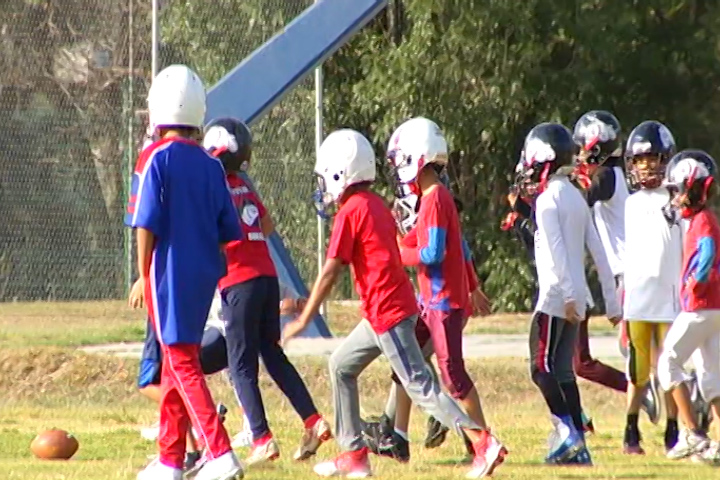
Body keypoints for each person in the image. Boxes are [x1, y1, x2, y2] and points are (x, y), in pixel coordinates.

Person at [282, 128, 506, 479]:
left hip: (388, 312)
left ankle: (483, 443)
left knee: (420, 385)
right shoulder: (373, 203)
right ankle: (354, 454)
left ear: (341, 172)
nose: (324, 184)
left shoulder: (351, 211)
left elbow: (329, 273)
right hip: (382, 310)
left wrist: (304, 315)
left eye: (327, 175)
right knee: (341, 365)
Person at [126, 64, 243, 480]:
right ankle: (171, 459)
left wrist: (143, 273)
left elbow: (145, 222)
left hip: (167, 272)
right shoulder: (212, 165)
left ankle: (221, 452)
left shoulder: (154, 157)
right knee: (179, 362)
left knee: (180, 361)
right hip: (204, 274)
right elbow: (228, 232)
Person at [202, 116, 331, 466]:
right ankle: (313, 419)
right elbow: (267, 224)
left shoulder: (213, 187)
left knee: (240, 364)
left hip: (238, 281)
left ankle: (261, 438)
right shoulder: (243, 186)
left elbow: (212, 235)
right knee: (272, 355)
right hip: (266, 277)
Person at [516, 122, 621, 465]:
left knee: (539, 367)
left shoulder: (547, 200)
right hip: (577, 297)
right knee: (562, 371)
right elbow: (599, 253)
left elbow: (556, 252)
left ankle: (567, 434)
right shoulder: (576, 196)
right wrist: (610, 299)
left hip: (556, 297)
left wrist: (569, 296)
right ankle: (579, 446)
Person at [364, 184, 489, 461]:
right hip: (429, 302)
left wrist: (471, 287)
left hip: (444, 303)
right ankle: (399, 435)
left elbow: (436, 253)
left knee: (452, 374)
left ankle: (480, 440)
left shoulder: (434, 206)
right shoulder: (429, 206)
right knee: (406, 366)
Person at [622, 120, 682, 454]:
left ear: (666, 160)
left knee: (668, 370)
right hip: (638, 303)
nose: (646, 166)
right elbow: (629, 255)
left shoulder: (675, 201)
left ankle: (674, 429)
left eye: (653, 159)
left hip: (670, 301)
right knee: (638, 372)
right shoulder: (630, 204)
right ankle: (631, 428)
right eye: (641, 160)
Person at [658, 149, 720, 465]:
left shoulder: (702, 220)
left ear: (693, 188)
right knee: (711, 378)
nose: (675, 197)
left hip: (700, 307)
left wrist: (697, 280)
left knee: (667, 362)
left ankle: (692, 434)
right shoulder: (701, 218)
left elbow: (707, 252)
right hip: (713, 309)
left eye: (678, 190)